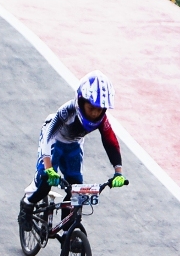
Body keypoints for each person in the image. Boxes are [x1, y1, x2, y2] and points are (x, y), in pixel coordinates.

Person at [18, 71, 128, 232]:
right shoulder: (67, 111)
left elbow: (110, 141)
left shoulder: (102, 119)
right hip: (53, 140)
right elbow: (48, 137)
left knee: (76, 188)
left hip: (73, 145)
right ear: (81, 101)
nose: (95, 113)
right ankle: (27, 205)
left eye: (100, 110)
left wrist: (118, 172)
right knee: (45, 182)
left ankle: (67, 228)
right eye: (91, 108)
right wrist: (49, 169)